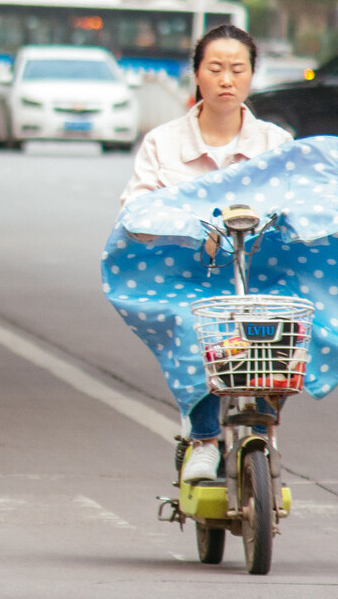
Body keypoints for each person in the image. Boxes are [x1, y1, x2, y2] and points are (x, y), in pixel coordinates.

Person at [119, 24, 292, 484]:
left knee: (285, 324)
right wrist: (186, 227)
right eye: (215, 68)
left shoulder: (275, 144)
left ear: (252, 74)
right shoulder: (163, 143)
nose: (226, 79)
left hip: (260, 276)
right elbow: (135, 208)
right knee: (194, 323)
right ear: (197, 74)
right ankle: (204, 439)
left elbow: (301, 203)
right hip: (189, 277)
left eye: (237, 69)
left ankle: (261, 427)